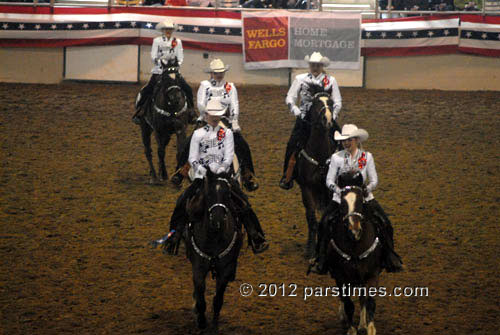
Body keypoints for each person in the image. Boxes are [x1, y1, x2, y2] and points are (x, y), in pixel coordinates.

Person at [161, 99, 269, 254]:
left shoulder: (228, 134)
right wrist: (204, 172)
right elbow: (192, 158)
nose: (214, 117)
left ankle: (256, 236)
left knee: (243, 203)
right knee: (182, 202)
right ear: (206, 116)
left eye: (217, 114)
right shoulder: (198, 135)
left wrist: (220, 171)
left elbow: (228, 156)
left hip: (223, 175)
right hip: (203, 177)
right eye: (211, 114)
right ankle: (174, 238)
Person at [310, 124, 403, 274]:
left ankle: (390, 257)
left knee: (385, 223)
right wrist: (338, 191)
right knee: (324, 224)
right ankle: (320, 260)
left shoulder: (367, 157)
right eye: (344, 141)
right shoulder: (336, 158)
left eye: (349, 140)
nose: (346, 143)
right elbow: (329, 180)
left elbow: (374, 180)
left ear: (357, 140)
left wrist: (368, 189)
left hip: (363, 198)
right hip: (340, 199)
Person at [171, 59, 259, 191]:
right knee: (188, 143)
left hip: (224, 119)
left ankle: (248, 175)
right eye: (216, 72)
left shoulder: (230, 87)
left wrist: (234, 120)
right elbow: (201, 103)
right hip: (206, 118)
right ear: (211, 73)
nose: (219, 75)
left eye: (221, 72)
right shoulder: (204, 85)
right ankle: (181, 171)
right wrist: (210, 114)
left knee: (242, 145)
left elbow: (234, 104)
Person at [279, 51, 342, 190]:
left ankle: (343, 173)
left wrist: (333, 115)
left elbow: (337, 101)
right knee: (292, 144)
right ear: (309, 65)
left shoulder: (330, 80)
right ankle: (287, 175)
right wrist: (296, 111)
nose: (315, 67)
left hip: (326, 117)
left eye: (318, 65)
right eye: (313, 65)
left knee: (342, 140)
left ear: (322, 66)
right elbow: (290, 98)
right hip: (305, 119)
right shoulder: (300, 79)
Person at [132, 19, 195, 124]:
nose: (168, 31)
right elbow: (153, 56)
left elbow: (180, 56)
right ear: (162, 30)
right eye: (166, 29)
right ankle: (141, 110)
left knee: (187, 88)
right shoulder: (157, 41)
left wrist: (176, 64)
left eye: (170, 29)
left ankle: (191, 111)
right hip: (159, 70)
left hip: (174, 70)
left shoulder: (177, 42)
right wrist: (161, 62)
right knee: (148, 89)